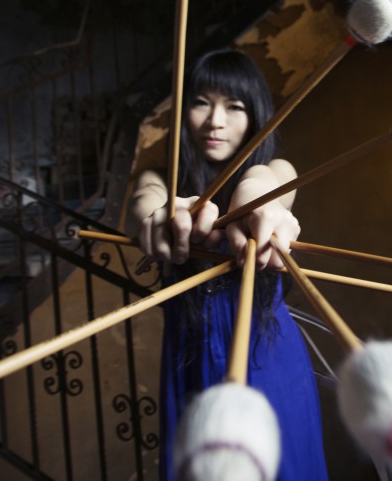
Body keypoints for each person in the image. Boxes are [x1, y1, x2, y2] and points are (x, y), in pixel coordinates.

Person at [126, 49, 328, 480]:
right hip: (188, 354)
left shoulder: (277, 167)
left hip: (266, 352)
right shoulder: (157, 177)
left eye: (234, 106)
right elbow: (147, 201)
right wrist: (162, 216)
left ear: (255, 115)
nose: (215, 121)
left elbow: (267, 183)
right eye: (201, 102)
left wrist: (255, 200)